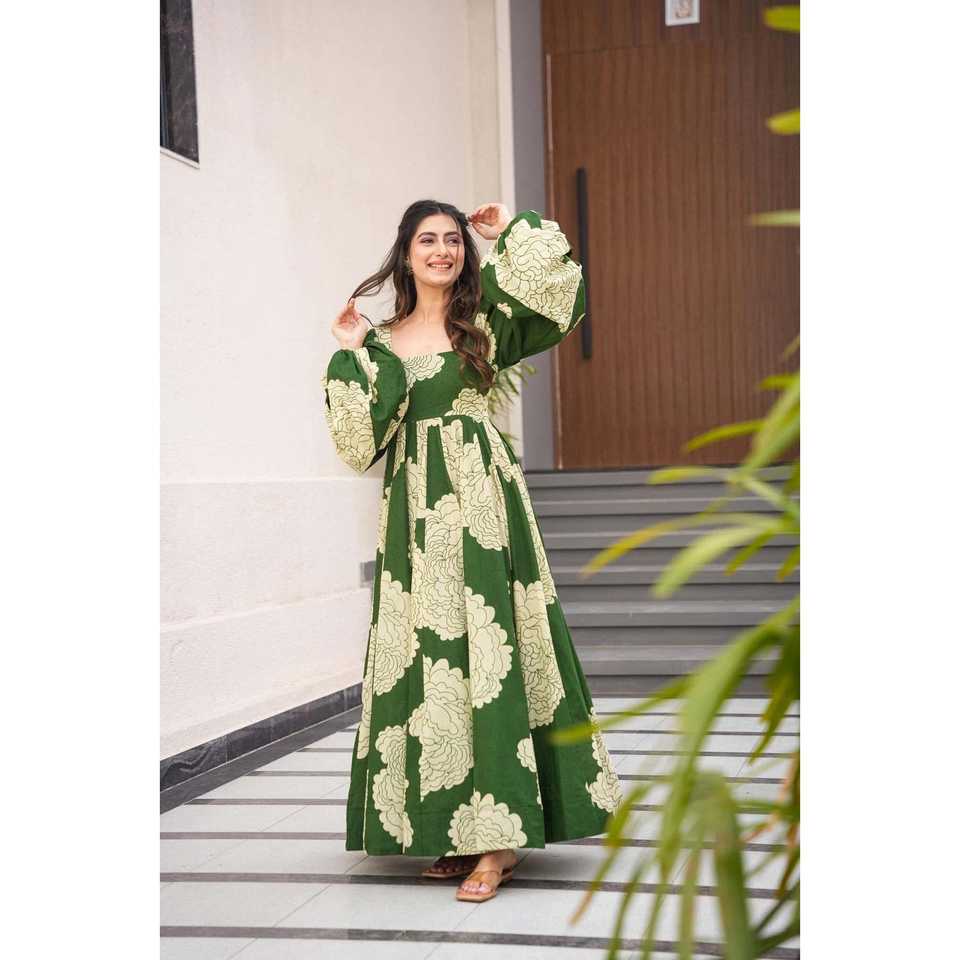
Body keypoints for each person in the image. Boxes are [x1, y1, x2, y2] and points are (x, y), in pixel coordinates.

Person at [320, 199, 623, 903]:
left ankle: (499, 840)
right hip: (414, 514)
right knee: (431, 659)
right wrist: (352, 350)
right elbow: (360, 444)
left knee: (493, 654)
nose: (443, 250)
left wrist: (510, 228)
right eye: (428, 240)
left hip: (484, 507)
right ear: (406, 253)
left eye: (453, 240)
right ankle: (457, 829)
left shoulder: (483, 322)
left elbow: (560, 299)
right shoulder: (382, 340)